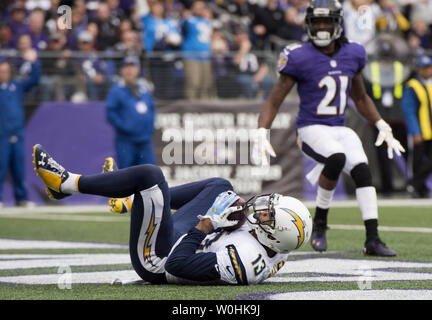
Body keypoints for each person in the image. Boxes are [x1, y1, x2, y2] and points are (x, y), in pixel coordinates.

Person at [32, 143, 312, 285]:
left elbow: (176, 266)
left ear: (275, 234)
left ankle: (65, 184)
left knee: (150, 176)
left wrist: (207, 225)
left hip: (159, 259)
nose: (260, 211)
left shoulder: (245, 262)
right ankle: (129, 201)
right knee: (221, 186)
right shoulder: (279, 242)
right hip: (186, 240)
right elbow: (247, 230)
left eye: (267, 216)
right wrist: (224, 220)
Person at [252, 0, 405, 257]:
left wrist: (380, 123)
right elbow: (275, 99)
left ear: (337, 23)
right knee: (336, 158)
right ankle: (320, 223)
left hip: (339, 127)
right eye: (317, 21)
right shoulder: (298, 56)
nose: (322, 27)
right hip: (310, 127)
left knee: (362, 170)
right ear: (309, 24)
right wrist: (261, 130)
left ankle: (373, 239)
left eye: (327, 21)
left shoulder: (353, 53)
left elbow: (360, 98)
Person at [0, 48, 40, 208]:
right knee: (1, 168)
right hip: (2, 135)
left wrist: (33, 63)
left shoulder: (16, 86)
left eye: (5, 71)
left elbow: (34, 80)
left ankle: (21, 198)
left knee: (19, 169)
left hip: (17, 134)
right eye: (1, 71)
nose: (4, 74)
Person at [106, 56, 157, 169]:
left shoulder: (143, 89)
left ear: (137, 70)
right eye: (126, 67)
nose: (129, 70)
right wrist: (125, 127)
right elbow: (111, 113)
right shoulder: (116, 91)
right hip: (126, 141)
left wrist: (150, 127)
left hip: (145, 140)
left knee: (150, 171)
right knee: (127, 173)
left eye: (132, 67)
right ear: (121, 70)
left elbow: (152, 108)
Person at [401, 55, 432, 198]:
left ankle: (416, 184)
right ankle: (417, 186)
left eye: (429, 67)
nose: (427, 71)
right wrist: (415, 131)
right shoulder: (413, 85)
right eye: (424, 68)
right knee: (417, 161)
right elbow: (409, 111)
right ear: (418, 70)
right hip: (421, 130)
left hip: (430, 130)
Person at [181, 0, 213, 100]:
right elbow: (182, 30)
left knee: (206, 84)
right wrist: (185, 17)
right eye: (197, 7)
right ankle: (191, 110)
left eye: (202, 7)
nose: (200, 10)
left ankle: (204, 111)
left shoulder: (207, 21)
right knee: (194, 83)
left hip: (206, 57)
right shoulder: (189, 20)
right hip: (191, 56)